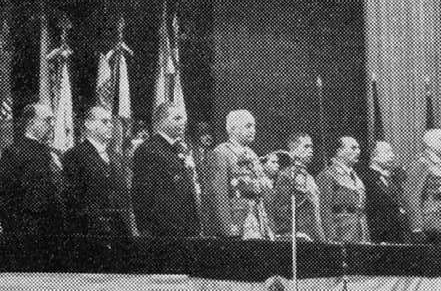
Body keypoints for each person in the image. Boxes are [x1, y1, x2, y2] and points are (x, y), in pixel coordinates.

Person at [131, 102, 199, 237]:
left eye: (183, 119)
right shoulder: (148, 149)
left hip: (186, 230)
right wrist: (148, 231)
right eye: (177, 118)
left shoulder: (179, 148)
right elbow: (142, 195)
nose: (183, 123)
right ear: (161, 122)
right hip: (163, 232)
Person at [62, 106, 133, 236]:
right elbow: (73, 202)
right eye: (105, 122)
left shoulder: (116, 157)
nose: (111, 126)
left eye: (111, 122)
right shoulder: (74, 155)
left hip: (120, 234)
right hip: (91, 234)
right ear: (88, 124)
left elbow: (124, 197)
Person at [0, 103, 65, 233]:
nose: (52, 125)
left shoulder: (53, 152)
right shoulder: (12, 152)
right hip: (28, 231)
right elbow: (7, 200)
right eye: (47, 120)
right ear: (31, 123)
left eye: (52, 120)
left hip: (55, 230)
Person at [207, 110, 271, 239]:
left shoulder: (252, 154)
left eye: (254, 126)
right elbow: (219, 195)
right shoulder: (221, 152)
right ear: (233, 129)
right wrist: (228, 227)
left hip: (257, 221)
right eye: (248, 126)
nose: (253, 130)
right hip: (237, 222)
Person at [407, 129, 441, 245]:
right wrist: (416, 227)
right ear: (429, 143)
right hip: (431, 224)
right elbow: (412, 196)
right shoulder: (420, 164)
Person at [269, 133, 323, 241]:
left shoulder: (310, 177)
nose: (311, 150)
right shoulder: (287, 175)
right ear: (293, 151)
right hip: (299, 236)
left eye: (311, 146)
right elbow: (281, 209)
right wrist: (290, 234)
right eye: (306, 146)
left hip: (314, 233)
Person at [316, 136, 370, 244]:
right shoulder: (328, 175)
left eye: (358, 148)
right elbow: (324, 209)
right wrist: (331, 239)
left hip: (360, 233)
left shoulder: (356, 177)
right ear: (339, 151)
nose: (358, 151)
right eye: (353, 148)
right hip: (341, 233)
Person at [362, 141, 409, 244]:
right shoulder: (366, 179)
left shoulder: (392, 178)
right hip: (379, 237)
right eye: (387, 152)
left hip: (397, 235)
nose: (392, 155)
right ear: (374, 156)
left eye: (392, 152)